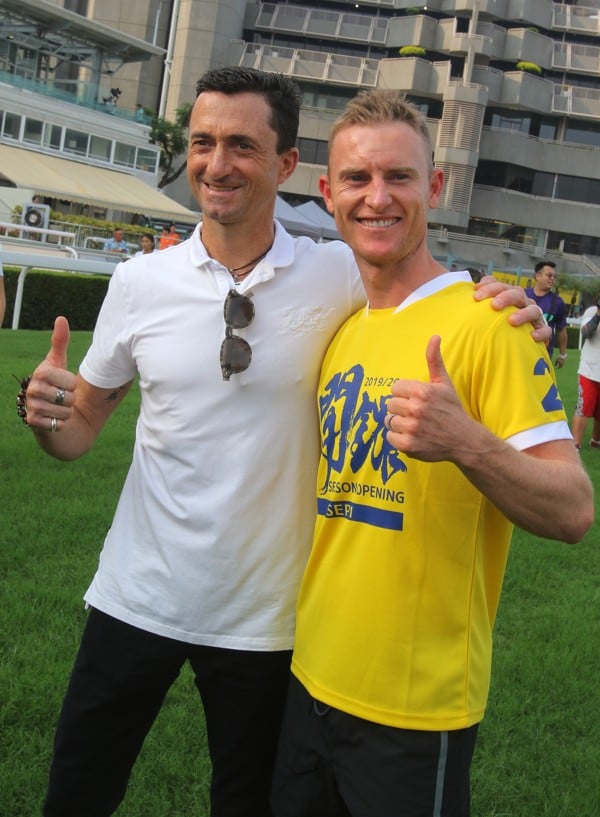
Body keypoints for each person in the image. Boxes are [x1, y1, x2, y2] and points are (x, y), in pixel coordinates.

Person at [19, 68, 549, 817]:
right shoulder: (140, 280)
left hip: (264, 621)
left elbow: (414, 283)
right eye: (203, 142)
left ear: (290, 167)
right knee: (76, 791)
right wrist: (44, 416)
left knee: (243, 801)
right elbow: (79, 430)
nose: (217, 162)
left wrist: (506, 299)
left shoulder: (334, 273)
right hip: (134, 595)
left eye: (242, 144)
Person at [271, 90, 593, 817]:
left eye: (400, 177)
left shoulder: (489, 325)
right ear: (327, 194)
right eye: (356, 179)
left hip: (415, 707)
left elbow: (574, 508)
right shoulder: (345, 328)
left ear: (435, 187)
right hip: (310, 676)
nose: (376, 197)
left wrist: (469, 444)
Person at [525, 260, 568, 366]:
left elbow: (561, 329)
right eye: (549, 275)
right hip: (521, 348)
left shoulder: (558, 302)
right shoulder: (523, 295)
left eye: (554, 276)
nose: (552, 278)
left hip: (543, 353)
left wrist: (562, 355)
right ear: (538, 276)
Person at [572, 300, 600, 450]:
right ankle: (575, 444)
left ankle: (596, 441)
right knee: (584, 406)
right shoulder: (591, 312)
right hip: (589, 370)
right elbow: (586, 333)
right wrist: (598, 314)